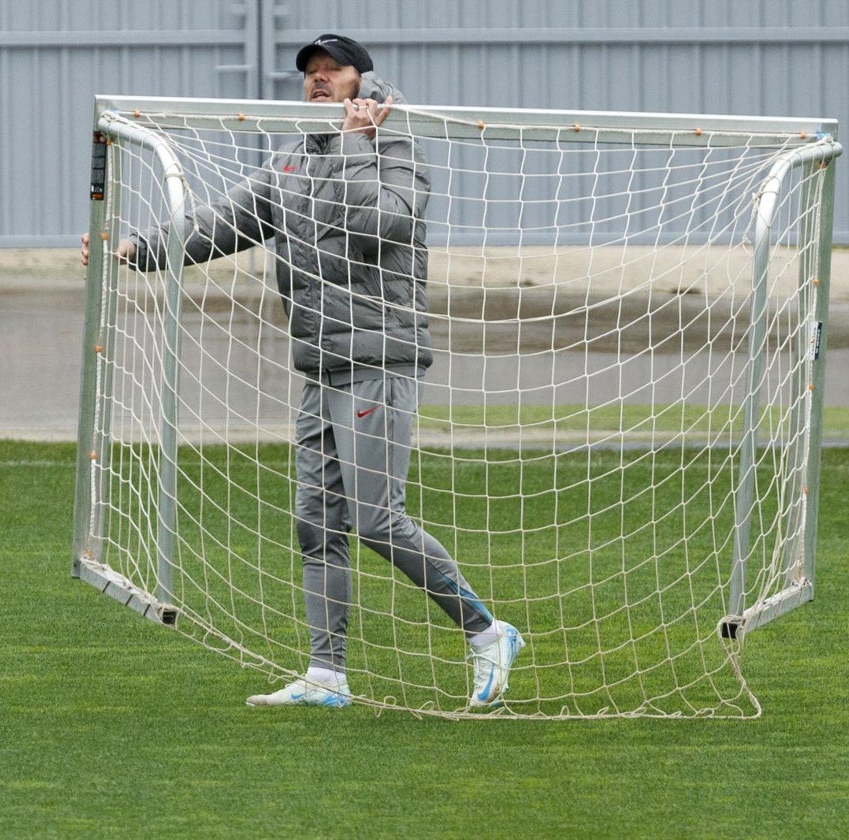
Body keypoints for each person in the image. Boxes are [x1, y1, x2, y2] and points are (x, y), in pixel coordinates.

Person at [81, 34, 523, 709]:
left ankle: (487, 631)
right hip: (320, 365)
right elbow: (222, 223)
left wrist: (354, 144)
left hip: (379, 358)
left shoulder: (397, 151)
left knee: (378, 521)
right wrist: (135, 248)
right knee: (317, 523)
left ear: (362, 82)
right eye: (310, 74)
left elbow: (381, 224)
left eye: (332, 72)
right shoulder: (292, 160)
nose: (318, 81)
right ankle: (327, 675)